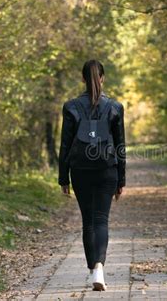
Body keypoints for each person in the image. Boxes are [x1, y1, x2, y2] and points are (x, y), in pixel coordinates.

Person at [58, 59, 126, 291]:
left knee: (88, 221)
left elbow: (65, 144)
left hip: (80, 169)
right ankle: (99, 267)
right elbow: (120, 146)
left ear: (83, 79)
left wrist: (63, 177)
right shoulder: (115, 107)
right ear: (102, 78)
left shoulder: (71, 106)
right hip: (107, 169)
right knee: (101, 220)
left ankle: (94, 269)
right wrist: (121, 180)